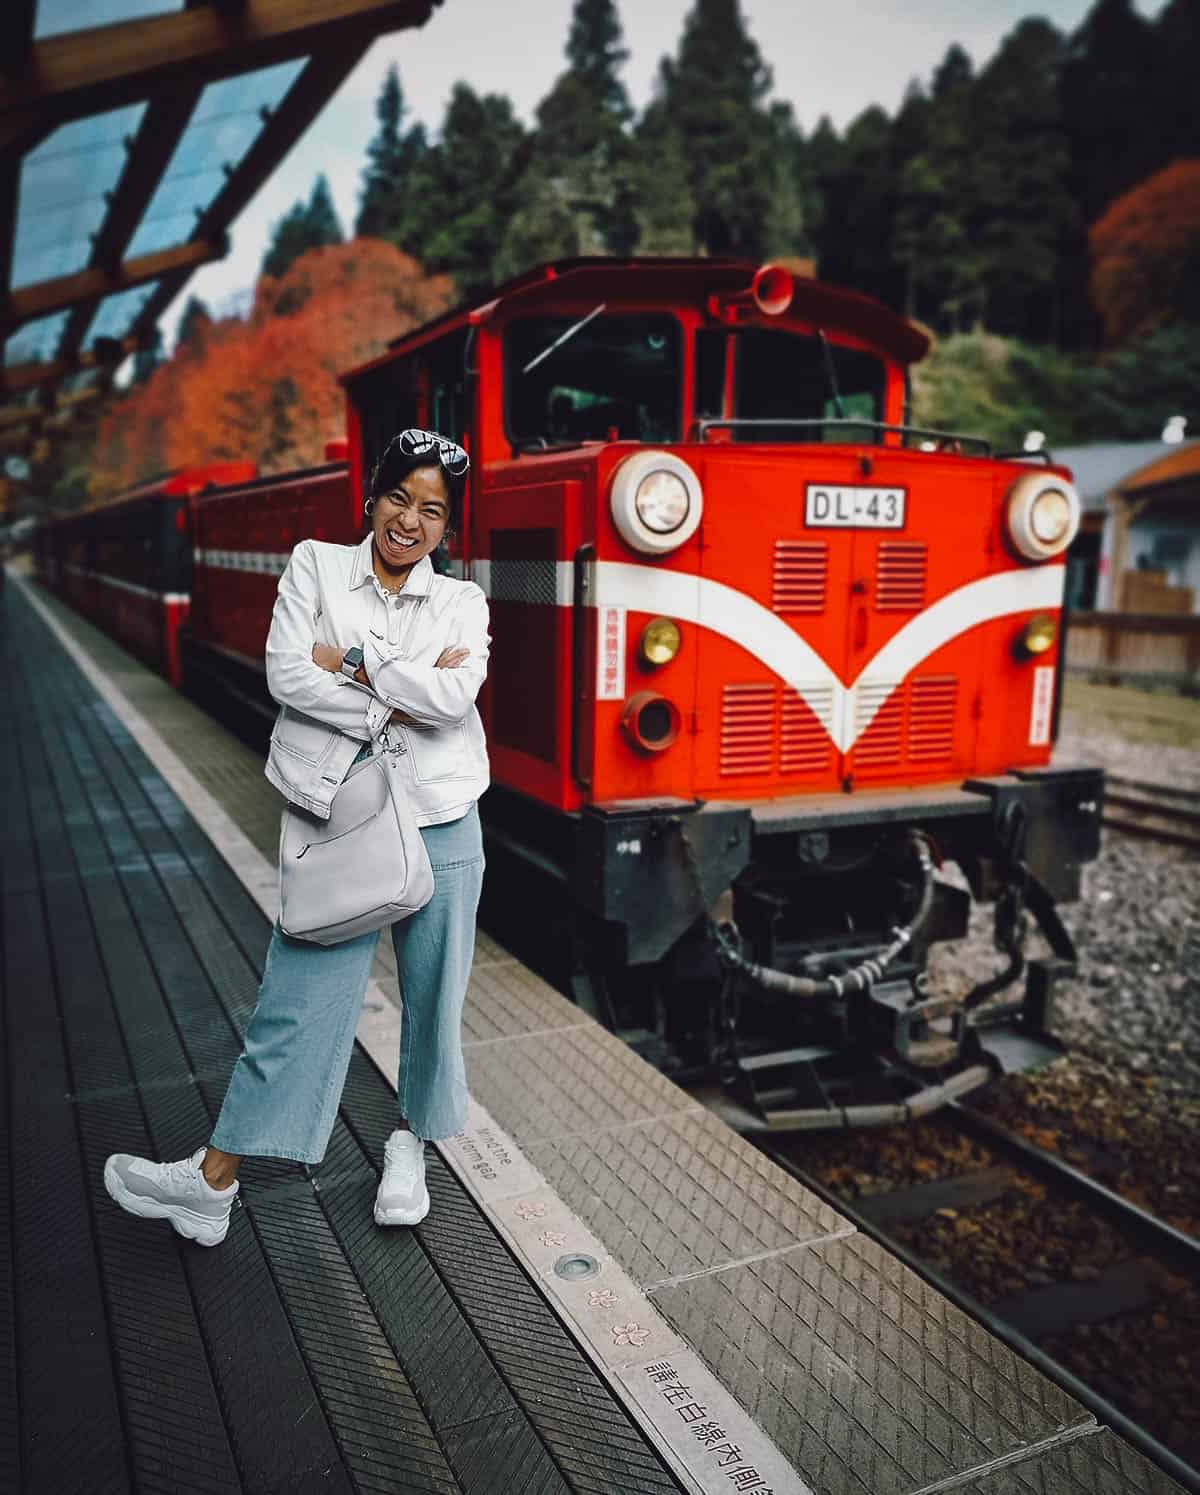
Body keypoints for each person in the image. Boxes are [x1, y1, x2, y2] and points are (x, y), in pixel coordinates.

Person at [104, 428, 489, 1246]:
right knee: (296, 1003)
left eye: (432, 510)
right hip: (340, 815)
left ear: (447, 529)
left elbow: (454, 699)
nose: (409, 521)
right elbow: (286, 670)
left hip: (446, 818)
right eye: (398, 497)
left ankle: (409, 1146)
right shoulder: (314, 562)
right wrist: (398, 689)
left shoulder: (464, 601)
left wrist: (349, 662)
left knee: (433, 1003)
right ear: (371, 497)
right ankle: (214, 1182)